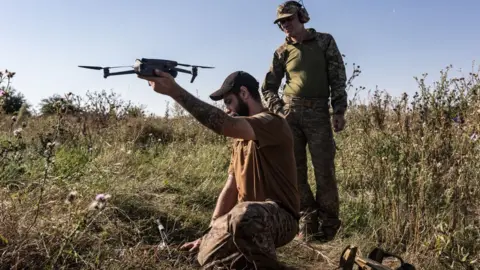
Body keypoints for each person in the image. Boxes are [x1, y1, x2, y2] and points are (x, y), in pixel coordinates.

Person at [138, 69, 300, 269]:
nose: (227, 109)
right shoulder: (240, 139)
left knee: (243, 216)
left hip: (279, 219)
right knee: (204, 259)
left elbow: (225, 124)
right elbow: (231, 187)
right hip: (243, 219)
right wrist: (210, 232)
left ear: (244, 93)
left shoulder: (274, 123)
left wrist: (174, 91)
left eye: (229, 102)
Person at [261, 0, 348, 243]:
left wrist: (338, 110)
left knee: (324, 171)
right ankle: (307, 221)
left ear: (301, 16)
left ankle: (330, 225)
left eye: (288, 19)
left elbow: (337, 76)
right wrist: (278, 109)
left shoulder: (324, 41)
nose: (285, 25)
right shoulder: (281, 52)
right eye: (281, 22)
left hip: (319, 112)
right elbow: (268, 87)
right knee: (295, 171)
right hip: (290, 114)